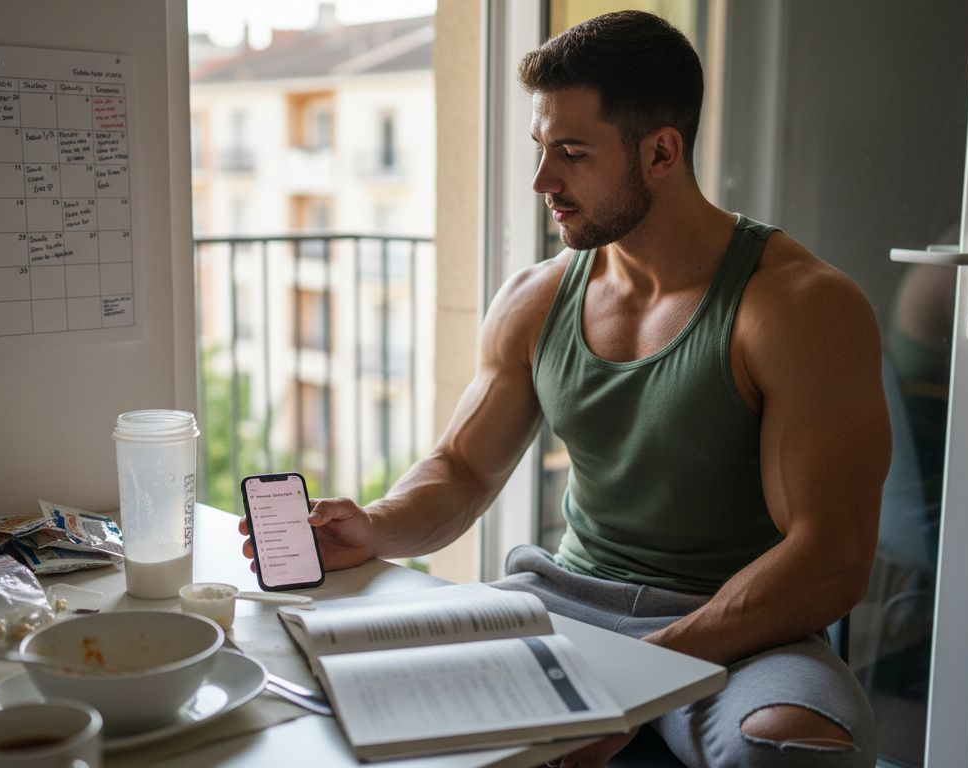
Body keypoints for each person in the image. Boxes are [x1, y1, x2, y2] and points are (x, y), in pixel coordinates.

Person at [239, 10, 890, 767]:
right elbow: (463, 468)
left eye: (572, 154)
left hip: (737, 626)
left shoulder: (798, 306)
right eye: (542, 149)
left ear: (662, 152)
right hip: (562, 606)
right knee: (328, 688)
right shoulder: (537, 297)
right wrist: (374, 526)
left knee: (790, 750)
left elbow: (831, 559)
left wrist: (637, 679)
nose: (544, 181)